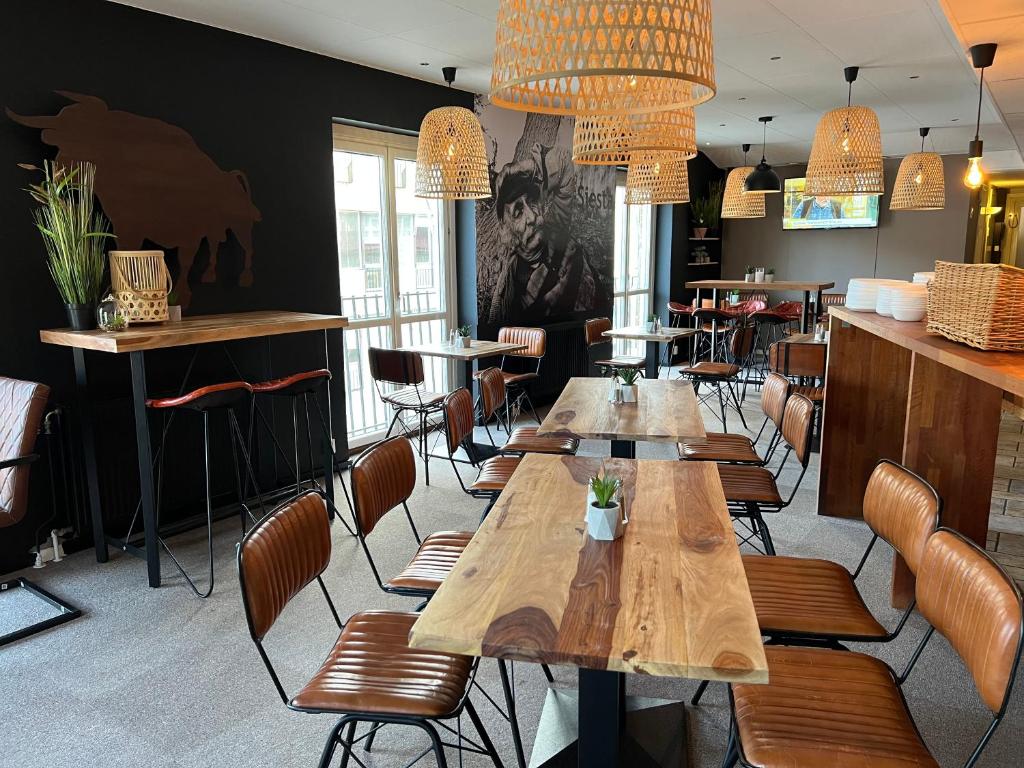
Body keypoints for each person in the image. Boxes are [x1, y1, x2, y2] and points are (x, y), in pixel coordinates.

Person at [487, 143, 597, 324]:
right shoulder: (508, 286)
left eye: (531, 201)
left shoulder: (558, 230)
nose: (531, 216)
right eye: (518, 212)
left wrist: (532, 168)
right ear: (507, 230)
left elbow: (564, 164)